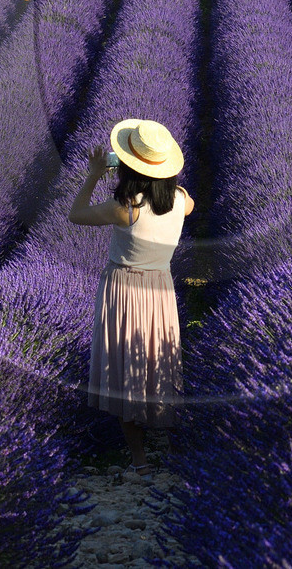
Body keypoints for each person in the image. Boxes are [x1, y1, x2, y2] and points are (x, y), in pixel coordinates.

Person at [69, 118, 193, 474]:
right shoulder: (182, 201)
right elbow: (183, 201)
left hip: (124, 291)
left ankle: (138, 460)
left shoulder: (125, 208)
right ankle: (169, 448)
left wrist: (94, 173)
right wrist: (164, 180)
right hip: (160, 292)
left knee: (125, 373)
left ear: (126, 166)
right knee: (157, 363)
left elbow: (75, 215)